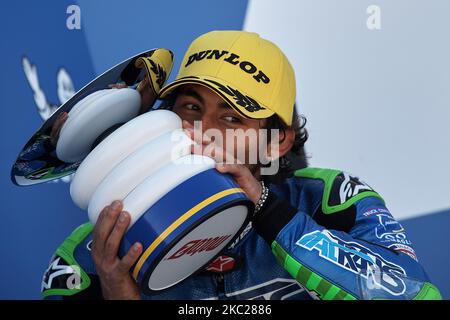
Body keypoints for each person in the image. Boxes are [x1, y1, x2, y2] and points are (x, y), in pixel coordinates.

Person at [41, 30, 441, 300]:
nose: (204, 132)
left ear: (277, 139)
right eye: (191, 108)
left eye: (232, 118)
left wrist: (271, 212)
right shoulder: (92, 251)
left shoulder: (329, 199)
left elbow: (416, 292)